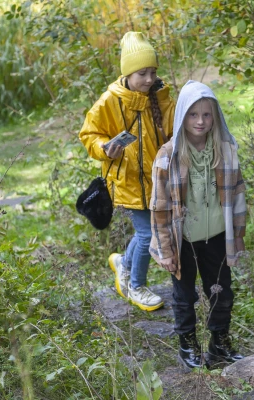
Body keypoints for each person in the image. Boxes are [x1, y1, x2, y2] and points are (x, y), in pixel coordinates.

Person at [149, 80, 246, 369]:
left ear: (214, 115)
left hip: (217, 236)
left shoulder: (225, 150)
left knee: (221, 291)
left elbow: (238, 195)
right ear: (182, 116)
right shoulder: (168, 156)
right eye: (193, 115)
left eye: (206, 114)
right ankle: (188, 345)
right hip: (184, 241)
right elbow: (159, 207)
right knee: (184, 295)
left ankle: (219, 343)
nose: (201, 121)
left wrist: (237, 238)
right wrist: (166, 250)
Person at [79, 31, 175, 311]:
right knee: (148, 234)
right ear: (128, 73)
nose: (149, 79)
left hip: (158, 179)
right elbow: (88, 133)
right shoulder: (110, 100)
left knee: (146, 231)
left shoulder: (162, 96)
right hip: (128, 180)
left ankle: (123, 263)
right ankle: (136, 286)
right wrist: (104, 147)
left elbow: (172, 131)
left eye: (153, 72)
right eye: (142, 73)